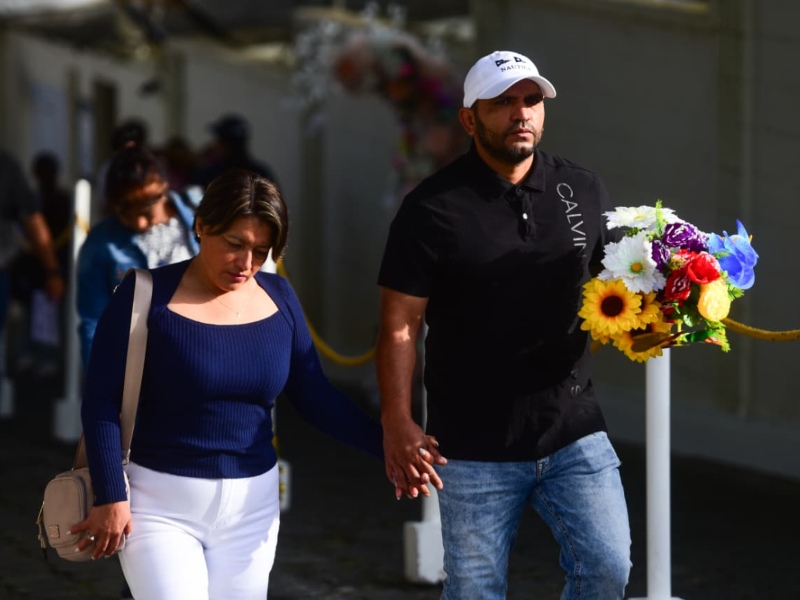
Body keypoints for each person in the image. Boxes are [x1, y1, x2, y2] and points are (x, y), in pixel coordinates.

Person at [72, 169, 411, 599]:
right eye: (235, 244)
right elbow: (102, 400)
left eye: (261, 250)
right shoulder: (143, 297)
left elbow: (314, 395)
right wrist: (110, 494)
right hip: (156, 508)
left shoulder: (280, 296)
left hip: (253, 511)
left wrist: (391, 447)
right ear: (201, 226)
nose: (246, 263)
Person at [376, 50, 632, 599]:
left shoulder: (583, 189)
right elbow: (400, 323)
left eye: (532, 101)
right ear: (470, 118)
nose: (522, 114)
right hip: (470, 445)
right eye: (504, 103)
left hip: (572, 430)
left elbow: (620, 290)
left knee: (609, 569)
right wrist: (396, 422)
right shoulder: (431, 208)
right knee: (475, 592)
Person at [76, 145, 199, 368]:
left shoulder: (203, 218)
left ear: (164, 186)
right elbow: (94, 323)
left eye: (146, 210)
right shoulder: (101, 243)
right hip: (140, 369)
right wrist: (101, 387)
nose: (140, 223)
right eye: (126, 214)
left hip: (202, 353)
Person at [190, 113, 279, 189]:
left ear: (225, 145)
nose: (214, 144)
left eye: (218, 140)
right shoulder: (261, 173)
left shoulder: (210, 174)